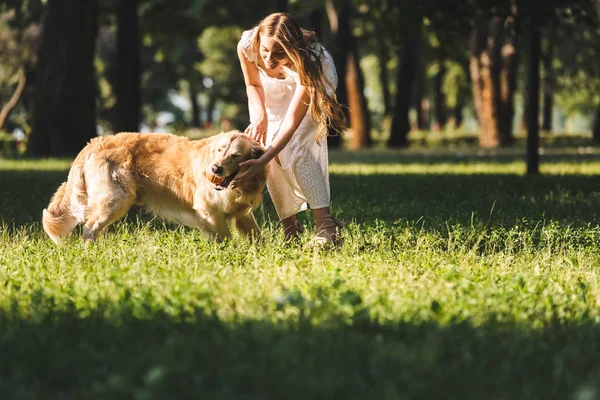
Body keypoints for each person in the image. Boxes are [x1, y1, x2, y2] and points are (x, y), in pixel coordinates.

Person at [232, 12, 345, 246]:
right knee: (270, 152)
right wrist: (261, 115)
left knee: (297, 148)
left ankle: (326, 226)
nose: (270, 60)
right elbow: (253, 84)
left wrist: (260, 162)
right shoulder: (247, 45)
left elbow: (292, 123)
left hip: (304, 94)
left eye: (279, 53)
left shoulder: (313, 61)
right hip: (267, 96)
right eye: (265, 51)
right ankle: (290, 227)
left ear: (293, 49)